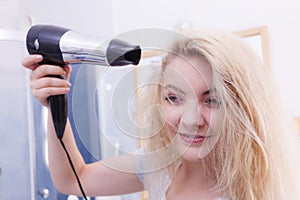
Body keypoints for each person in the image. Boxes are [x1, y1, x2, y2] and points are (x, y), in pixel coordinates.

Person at [22, 28, 300, 200]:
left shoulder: (260, 189)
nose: (191, 120)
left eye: (212, 100)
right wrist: (54, 103)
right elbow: (73, 179)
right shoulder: (159, 168)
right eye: (174, 98)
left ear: (243, 107)